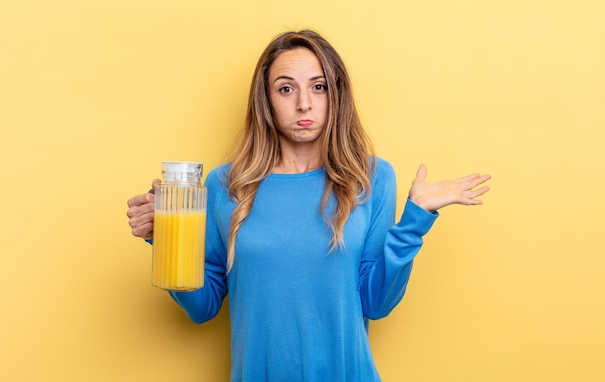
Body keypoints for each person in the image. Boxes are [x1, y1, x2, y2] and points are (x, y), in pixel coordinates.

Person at [126, 29, 490, 382]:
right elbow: (202, 308)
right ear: (265, 100)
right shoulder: (226, 185)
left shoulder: (372, 177)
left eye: (319, 87)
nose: (304, 103)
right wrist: (165, 238)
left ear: (337, 95)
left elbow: (376, 302)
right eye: (286, 88)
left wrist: (415, 219)